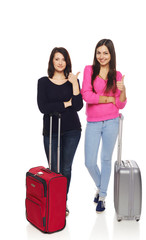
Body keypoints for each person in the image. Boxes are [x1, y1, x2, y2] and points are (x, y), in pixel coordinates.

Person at [81, 39, 127, 213]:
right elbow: (87, 95)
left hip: (112, 121)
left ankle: (102, 196)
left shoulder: (117, 75)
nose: (101, 56)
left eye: (105, 53)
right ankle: (101, 187)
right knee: (89, 162)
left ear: (111, 54)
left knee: (106, 159)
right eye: (98, 52)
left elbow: (121, 104)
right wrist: (109, 99)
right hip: (93, 122)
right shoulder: (89, 70)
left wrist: (123, 90)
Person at [37, 47, 83, 216]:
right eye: (57, 59)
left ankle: (62, 202)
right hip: (51, 131)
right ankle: (53, 200)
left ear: (67, 62)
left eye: (63, 59)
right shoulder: (43, 82)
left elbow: (78, 106)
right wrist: (65, 104)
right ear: (52, 61)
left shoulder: (73, 80)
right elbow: (43, 108)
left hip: (72, 130)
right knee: (54, 169)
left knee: (66, 169)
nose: (60, 62)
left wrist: (74, 84)